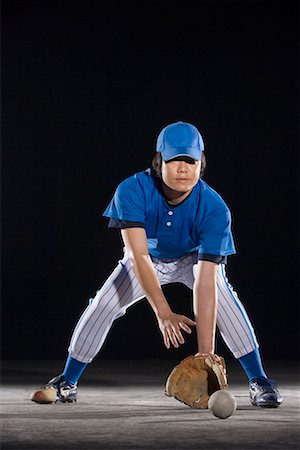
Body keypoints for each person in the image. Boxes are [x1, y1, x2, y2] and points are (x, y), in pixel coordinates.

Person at [31, 121, 282, 408]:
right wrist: (163, 311)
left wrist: (205, 354)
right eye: (175, 159)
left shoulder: (214, 207)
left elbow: (206, 280)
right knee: (103, 303)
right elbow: (138, 257)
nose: (183, 167)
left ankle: (259, 380)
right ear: (159, 160)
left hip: (193, 260)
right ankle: (67, 380)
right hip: (147, 260)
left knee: (223, 296)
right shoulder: (133, 190)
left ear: (202, 163)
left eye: (191, 160)